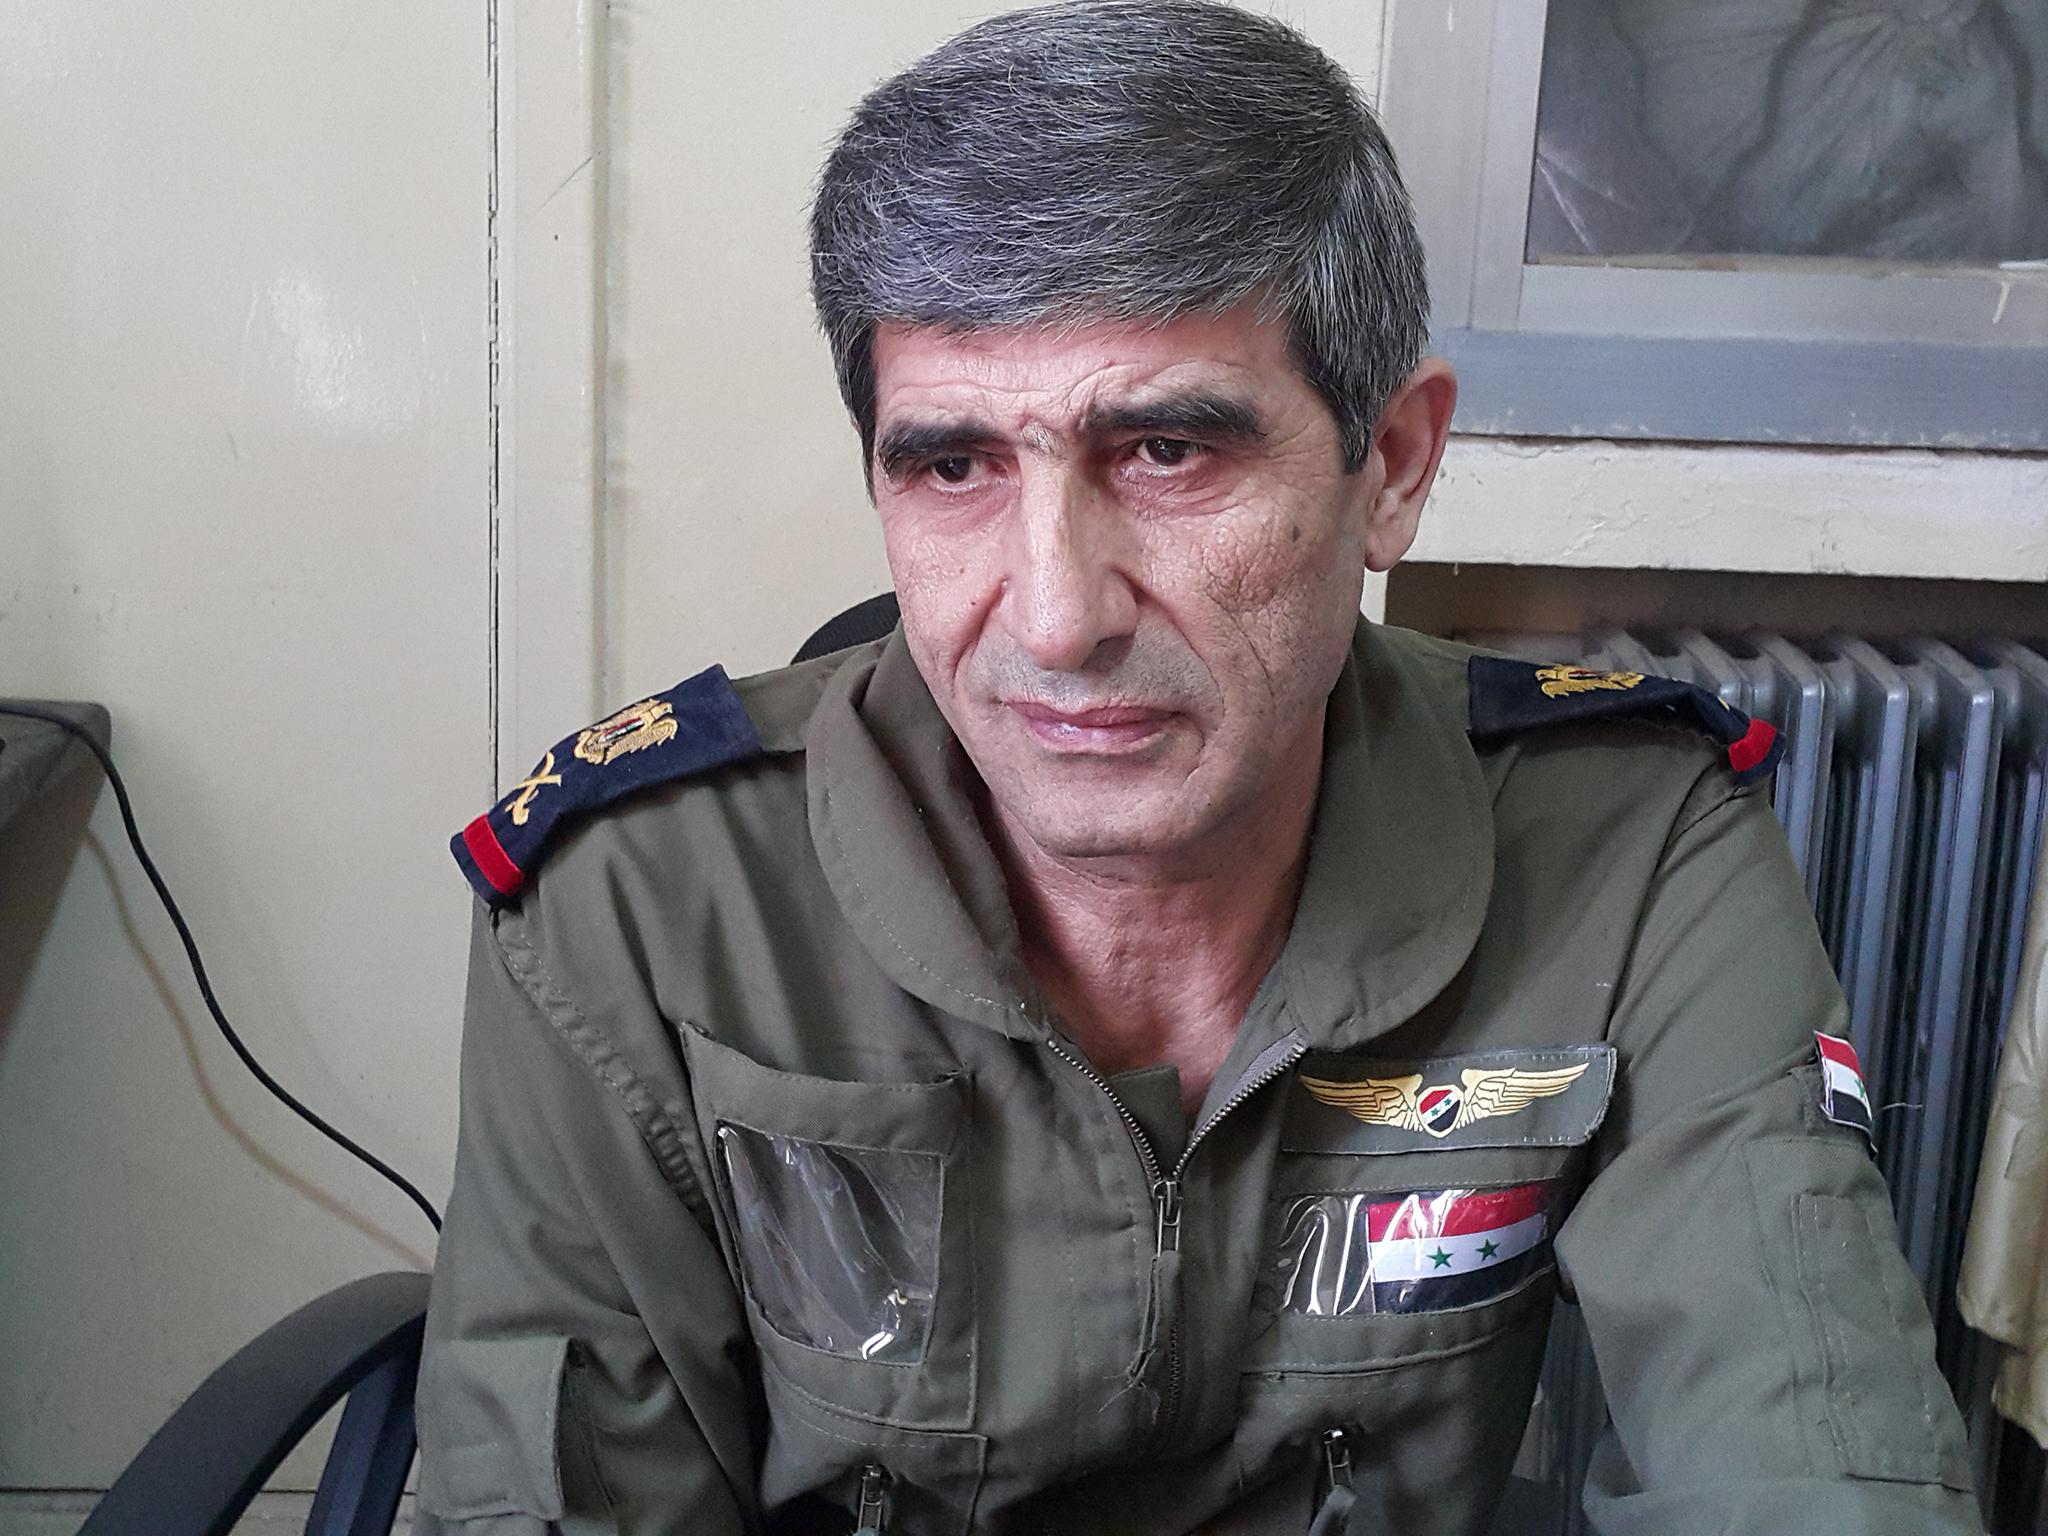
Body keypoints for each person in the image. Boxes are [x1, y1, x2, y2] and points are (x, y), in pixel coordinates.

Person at [415, 4, 1983, 1532]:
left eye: (1168, 453)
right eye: (954, 465)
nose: (1056, 615)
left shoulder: (1631, 857)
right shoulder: (638, 905)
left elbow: (1808, 1459)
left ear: (1395, 468)